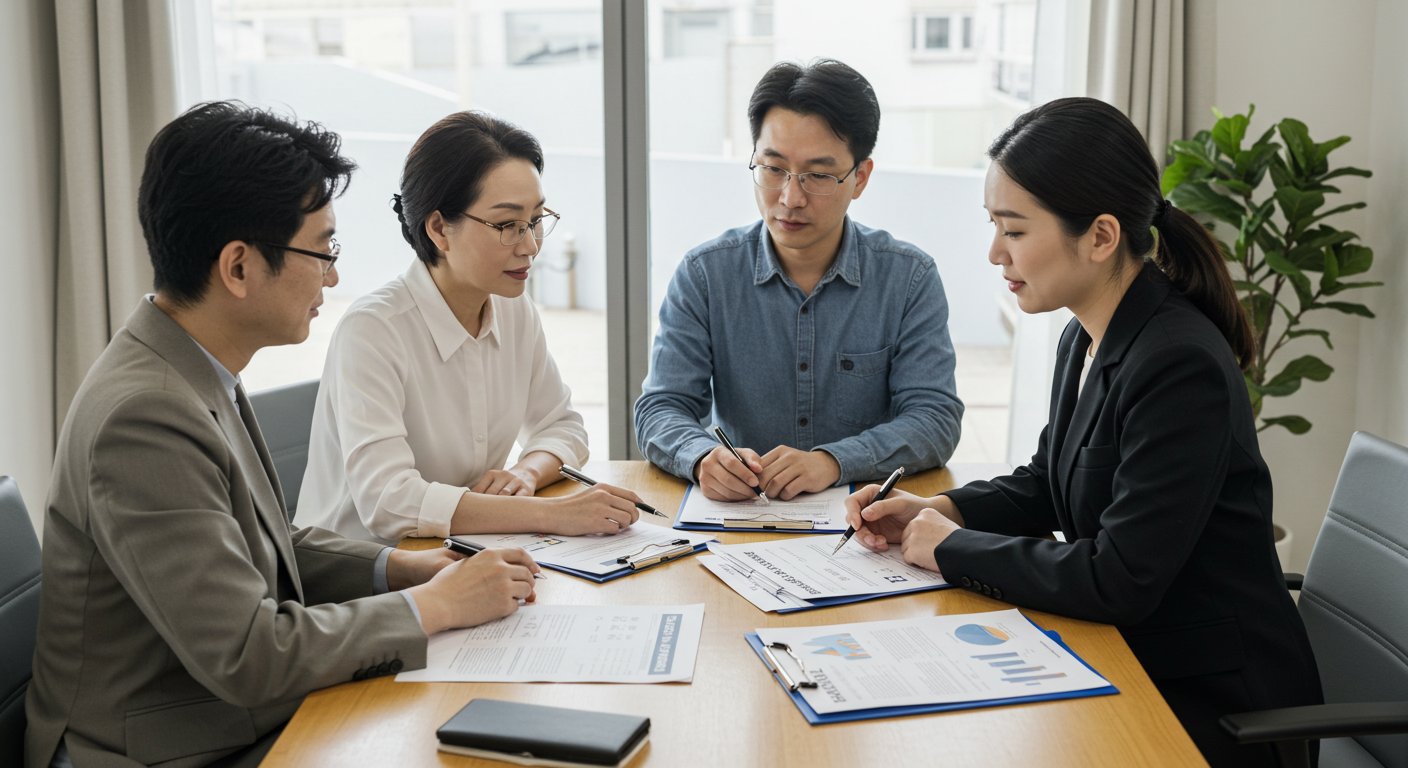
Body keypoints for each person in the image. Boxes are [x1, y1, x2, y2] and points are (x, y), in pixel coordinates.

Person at [25, 102, 542, 768]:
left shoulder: (192, 365)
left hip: (214, 712)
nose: (332, 276)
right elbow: (248, 654)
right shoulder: (144, 416)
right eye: (322, 250)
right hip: (156, 748)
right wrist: (430, 606)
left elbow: (266, 543)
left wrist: (400, 568)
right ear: (238, 268)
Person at [843, 97, 1323, 767]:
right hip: (1134, 656)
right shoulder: (1086, 334)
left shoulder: (1178, 363)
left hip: (1212, 702)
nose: (993, 252)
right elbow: (1047, 482)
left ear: (1100, 236)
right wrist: (938, 509)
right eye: (993, 226)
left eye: (1013, 230)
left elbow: (1120, 576)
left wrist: (952, 549)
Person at [295, 111, 643, 545]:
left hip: (463, 553)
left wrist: (524, 473)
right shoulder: (373, 330)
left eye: (535, 219)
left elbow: (563, 426)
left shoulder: (513, 309)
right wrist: (547, 513)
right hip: (363, 580)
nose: (531, 245)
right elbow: (388, 501)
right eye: (507, 225)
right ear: (439, 228)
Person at [634, 59, 964, 502]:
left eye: (819, 175)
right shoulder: (705, 274)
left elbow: (934, 417)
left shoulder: (908, 278)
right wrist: (700, 457)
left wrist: (832, 461)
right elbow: (661, 406)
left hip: (863, 522)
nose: (790, 197)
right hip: (743, 517)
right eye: (773, 169)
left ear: (859, 178)